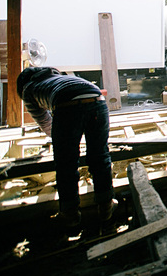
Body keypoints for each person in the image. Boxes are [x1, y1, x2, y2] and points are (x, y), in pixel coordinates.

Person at [16, 67, 116, 231]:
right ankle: (106, 209)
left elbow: (46, 123)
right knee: (100, 157)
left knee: (66, 164)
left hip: (67, 105)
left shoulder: (29, 89)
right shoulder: (63, 77)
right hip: (98, 101)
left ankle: (70, 216)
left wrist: (61, 138)